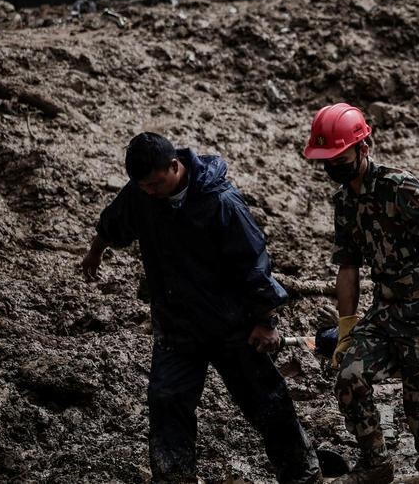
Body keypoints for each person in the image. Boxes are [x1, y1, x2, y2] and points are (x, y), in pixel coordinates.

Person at [81, 132, 319, 483]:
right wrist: (96, 250)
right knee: (167, 401)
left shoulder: (221, 202)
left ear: (174, 166)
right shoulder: (141, 195)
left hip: (232, 325)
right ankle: (174, 477)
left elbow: (254, 264)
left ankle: (302, 474)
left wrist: (266, 320)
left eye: (155, 184)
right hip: (177, 326)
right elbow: (114, 221)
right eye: (143, 185)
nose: (149, 191)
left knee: (266, 401)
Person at [303, 103, 419, 484]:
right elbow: (348, 268)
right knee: (348, 374)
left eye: (340, 157)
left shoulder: (398, 186)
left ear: (364, 147)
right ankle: (377, 463)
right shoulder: (344, 202)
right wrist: (345, 328)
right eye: (327, 160)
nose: (334, 167)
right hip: (386, 311)